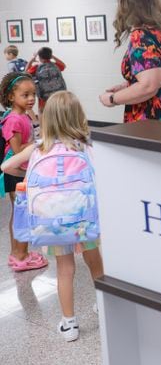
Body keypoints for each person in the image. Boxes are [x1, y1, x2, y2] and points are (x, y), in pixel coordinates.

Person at [2, 91, 104, 342]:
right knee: (95, 261)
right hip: (83, 219)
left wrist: (30, 166)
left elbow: (5, 167)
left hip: (52, 222)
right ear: (78, 116)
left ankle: (69, 324)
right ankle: (103, 307)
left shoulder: (39, 147)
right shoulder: (85, 146)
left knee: (65, 269)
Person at [0, 72, 48, 272]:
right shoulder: (13, 120)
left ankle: (17, 253)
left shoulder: (23, 115)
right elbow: (19, 151)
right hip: (15, 173)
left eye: (33, 95)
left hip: (21, 171)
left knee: (20, 213)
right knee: (21, 214)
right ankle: (21, 255)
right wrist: (39, 144)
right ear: (11, 96)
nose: (31, 99)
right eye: (25, 95)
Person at [26, 47, 67, 113]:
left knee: (42, 111)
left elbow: (25, 73)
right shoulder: (55, 65)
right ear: (50, 56)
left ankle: (43, 123)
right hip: (58, 93)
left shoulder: (37, 67)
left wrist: (32, 59)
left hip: (44, 95)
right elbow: (64, 65)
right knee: (58, 110)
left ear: (39, 57)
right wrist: (53, 57)